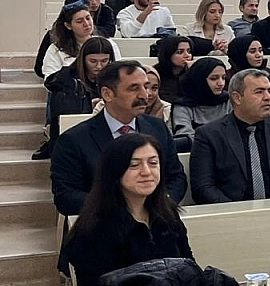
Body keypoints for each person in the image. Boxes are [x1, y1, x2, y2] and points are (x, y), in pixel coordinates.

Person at [58, 132, 192, 286]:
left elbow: (188, 267)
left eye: (153, 163)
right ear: (114, 171)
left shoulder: (167, 213)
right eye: (134, 165)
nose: (146, 172)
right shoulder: (94, 227)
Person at [51, 61, 188, 216]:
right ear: (107, 94)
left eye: (146, 86)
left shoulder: (157, 128)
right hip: (102, 222)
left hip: (155, 218)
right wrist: (126, 206)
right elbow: (66, 196)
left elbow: (176, 177)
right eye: (134, 88)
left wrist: (158, 204)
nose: (145, 95)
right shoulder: (73, 140)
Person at [189, 69, 270, 204]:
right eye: (259, 92)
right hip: (231, 211)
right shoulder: (209, 135)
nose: (268, 97)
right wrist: (237, 211)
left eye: (269, 91)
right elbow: (203, 187)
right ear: (237, 98)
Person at [36, 36, 117, 160]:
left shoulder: (114, 78)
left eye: (104, 61)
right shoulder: (66, 78)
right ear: (83, 59)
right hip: (75, 133)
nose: (99, 66)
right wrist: (90, 105)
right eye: (93, 61)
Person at [41, 0, 122, 78]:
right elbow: (50, 79)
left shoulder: (109, 44)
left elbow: (118, 74)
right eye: (79, 21)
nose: (86, 24)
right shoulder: (56, 49)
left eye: (88, 18)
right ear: (68, 26)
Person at [170, 57, 233, 152]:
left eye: (223, 78)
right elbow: (185, 137)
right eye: (214, 78)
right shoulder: (182, 106)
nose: (221, 83)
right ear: (200, 79)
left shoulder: (229, 101)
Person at [225, 35, 270, 103]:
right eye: (252, 51)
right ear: (240, 54)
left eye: (260, 50)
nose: (258, 55)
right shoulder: (227, 78)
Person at [154, 36, 193, 104]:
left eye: (189, 51)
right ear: (168, 54)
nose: (187, 55)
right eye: (180, 52)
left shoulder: (192, 72)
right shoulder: (156, 74)